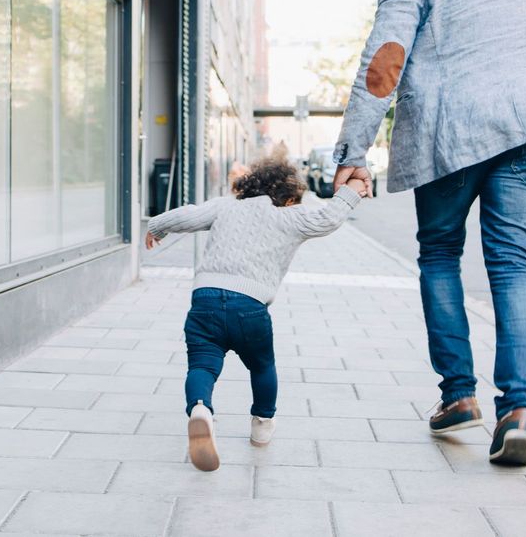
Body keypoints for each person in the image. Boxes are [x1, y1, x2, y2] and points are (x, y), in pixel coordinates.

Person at [332, 0, 526, 465]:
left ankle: (459, 397)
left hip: (449, 132)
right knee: (512, 263)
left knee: (441, 254)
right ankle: (520, 409)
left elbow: (388, 54)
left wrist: (353, 152)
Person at [145, 154, 367, 471]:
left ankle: (199, 409)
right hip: (250, 307)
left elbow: (190, 216)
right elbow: (327, 219)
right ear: (289, 197)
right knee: (262, 365)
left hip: (204, 300)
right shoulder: (291, 216)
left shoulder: (226, 206)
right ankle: (262, 425)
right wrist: (354, 188)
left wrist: (157, 226)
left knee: (202, 366)